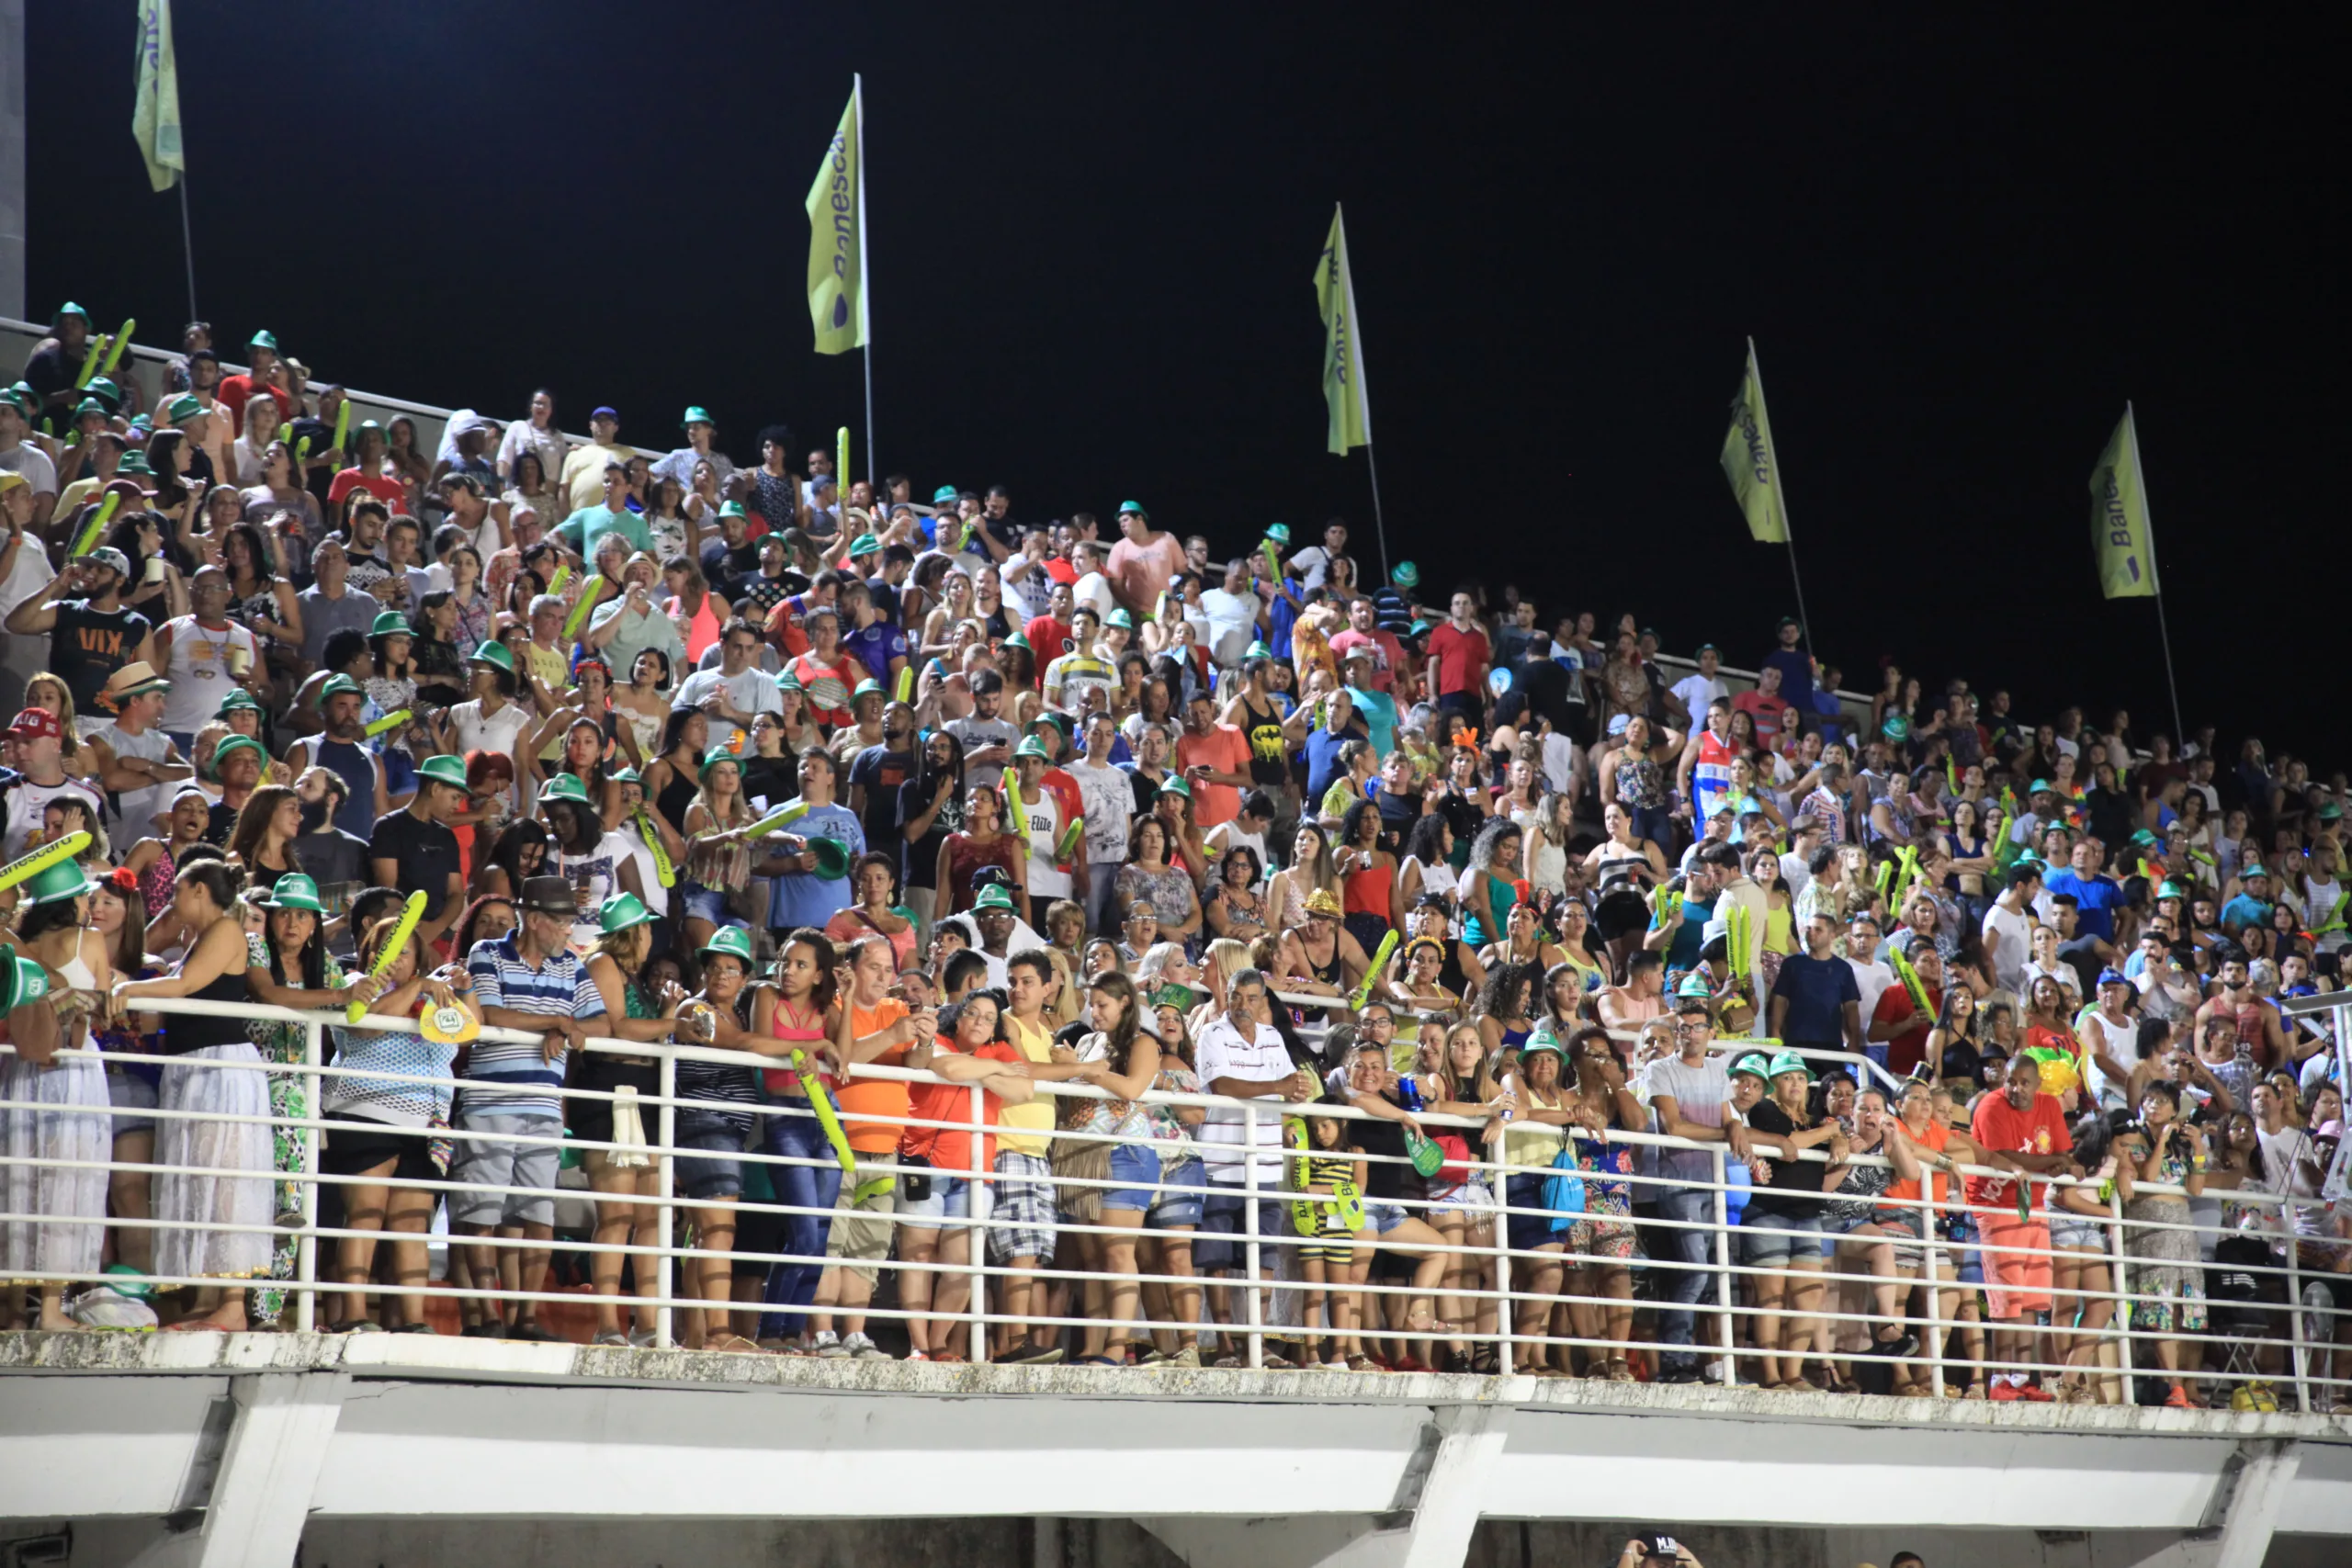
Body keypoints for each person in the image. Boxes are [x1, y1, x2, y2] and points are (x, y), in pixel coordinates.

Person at [110, 860, 270, 1330]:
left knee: (224, 1183)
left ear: (199, 890)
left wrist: (125, 988)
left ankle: (232, 1304)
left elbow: (183, 986)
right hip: (193, 1070)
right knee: (200, 1180)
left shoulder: (226, 929)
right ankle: (205, 1299)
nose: (171, 901)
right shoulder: (196, 939)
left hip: (220, 1068)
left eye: (177, 891)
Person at [459, 875, 610, 1341]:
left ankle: (525, 1318)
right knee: (481, 1212)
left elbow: (603, 1022)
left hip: (545, 1106)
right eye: (563, 921)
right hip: (490, 1100)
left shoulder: (571, 965)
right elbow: (491, 1015)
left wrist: (564, 1029)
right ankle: (487, 1318)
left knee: (537, 1215)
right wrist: (558, 1022)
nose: (569, 931)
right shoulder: (486, 951)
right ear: (537, 919)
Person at [1191, 967, 1316, 1367]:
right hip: (1221, 1163)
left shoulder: (1274, 1037)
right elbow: (1223, 1085)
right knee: (1217, 1260)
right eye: (1236, 997)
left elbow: (1291, 1087)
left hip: (1264, 1164)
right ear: (1226, 997)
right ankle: (1225, 1346)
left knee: (1262, 1261)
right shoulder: (1212, 1033)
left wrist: (1297, 1090)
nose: (1243, 1006)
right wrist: (1279, 1088)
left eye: (1251, 998)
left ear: (1264, 1001)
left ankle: (1256, 1344)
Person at [1966, 1053, 2078, 1400]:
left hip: (2034, 1207)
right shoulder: (1990, 1104)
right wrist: (2055, 1162)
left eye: (2023, 1082)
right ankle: (2000, 1380)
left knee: (2030, 1302)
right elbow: (2005, 1156)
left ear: (2038, 1084)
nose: (2015, 1088)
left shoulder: (2049, 1106)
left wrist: (2059, 1163)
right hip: (1995, 1206)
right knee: (2006, 1301)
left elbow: (2066, 1155)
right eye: (2010, 1081)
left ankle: (2019, 1379)